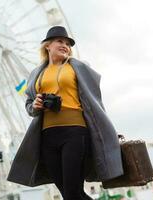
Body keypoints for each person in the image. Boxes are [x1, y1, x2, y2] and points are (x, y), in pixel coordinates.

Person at [7, 26, 124, 200]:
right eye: (60, 41)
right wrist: (36, 105)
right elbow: (29, 105)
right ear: (48, 46)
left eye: (68, 44)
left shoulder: (78, 67)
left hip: (75, 132)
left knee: (71, 193)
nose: (65, 45)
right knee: (71, 194)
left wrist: (107, 130)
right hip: (47, 136)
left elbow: (94, 100)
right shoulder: (36, 74)